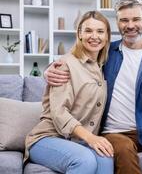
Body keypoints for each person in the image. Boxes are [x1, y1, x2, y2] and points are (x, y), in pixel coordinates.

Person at [45, 0, 142, 174]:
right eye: (124, 20)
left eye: (136, 19)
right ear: (117, 23)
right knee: (123, 148)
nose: (130, 25)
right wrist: (50, 68)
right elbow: (77, 59)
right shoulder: (106, 51)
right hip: (113, 133)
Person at [25, 11, 114, 174]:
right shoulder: (65, 65)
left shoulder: (103, 65)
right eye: (88, 30)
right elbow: (59, 112)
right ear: (79, 33)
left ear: (107, 36)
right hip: (48, 137)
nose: (94, 36)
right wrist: (91, 137)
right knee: (84, 160)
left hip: (79, 141)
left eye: (100, 31)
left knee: (106, 158)